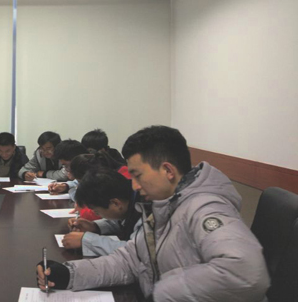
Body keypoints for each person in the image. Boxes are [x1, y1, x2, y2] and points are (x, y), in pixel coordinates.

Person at [37, 125, 270, 302]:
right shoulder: (164, 205)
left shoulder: (205, 207)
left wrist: (161, 291)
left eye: (138, 175)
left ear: (168, 170)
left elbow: (245, 271)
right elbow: (131, 259)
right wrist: (69, 274)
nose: (134, 186)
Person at [62, 169, 142, 257]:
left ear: (115, 203)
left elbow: (136, 251)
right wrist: (94, 226)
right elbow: (121, 219)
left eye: (96, 212)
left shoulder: (144, 210)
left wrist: (86, 241)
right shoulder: (129, 198)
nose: (97, 215)